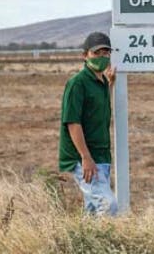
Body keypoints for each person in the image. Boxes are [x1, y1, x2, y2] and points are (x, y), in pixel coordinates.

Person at [58, 31, 118, 216]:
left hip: (101, 156)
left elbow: (95, 110)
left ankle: (83, 244)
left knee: (92, 212)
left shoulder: (100, 83)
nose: (101, 57)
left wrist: (109, 84)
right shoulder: (78, 83)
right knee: (108, 205)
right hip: (84, 158)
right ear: (85, 55)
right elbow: (73, 122)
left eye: (105, 53)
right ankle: (104, 244)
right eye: (96, 53)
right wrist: (85, 157)